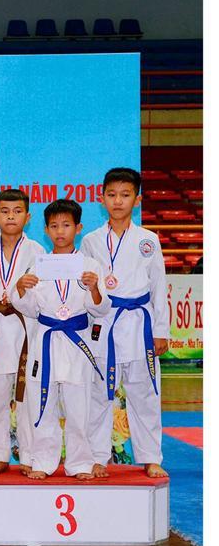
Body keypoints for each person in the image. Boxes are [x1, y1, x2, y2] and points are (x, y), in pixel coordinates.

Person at [80, 167, 169, 478]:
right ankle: (97, 456)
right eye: (112, 194)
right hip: (104, 322)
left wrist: (160, 330)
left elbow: (159, 286)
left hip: (140, 324)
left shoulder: (149, 240)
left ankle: (150, 457)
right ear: (101, 198)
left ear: (137, 199)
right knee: (100, 393)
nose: (118, 201)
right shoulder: (91, 240)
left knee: (145, 392)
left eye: (125, 195)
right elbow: (86, 288)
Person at [12, 199, 108, 479]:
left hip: (77, 341)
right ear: (46, 230)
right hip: (47, 340)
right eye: (54, 226)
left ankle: (80, 463)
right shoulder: (38, 265)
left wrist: (94, 289)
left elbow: (101, 308)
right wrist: (21, 288)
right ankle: (43, 461)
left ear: (78, 228)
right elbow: (30, 308)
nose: (60, 231)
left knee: (79, 406)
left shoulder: (90, 266)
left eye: (66, 225)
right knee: (42, 403)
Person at [0, 189, 45, 475]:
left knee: (27, 396)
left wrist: (19, 296)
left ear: (27, 217)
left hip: (26, 329)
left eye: (17, 211)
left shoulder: (38, 252)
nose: (11, 217)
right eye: (4, 211)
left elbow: (41, 297)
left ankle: (29, 454)